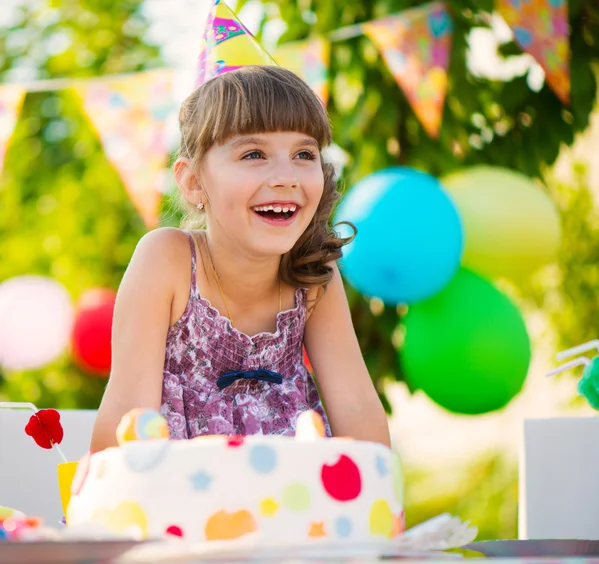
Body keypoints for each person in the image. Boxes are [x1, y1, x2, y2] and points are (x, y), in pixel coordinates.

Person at [90, 66, 390, 450]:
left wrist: (382, 503)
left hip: (294, 498)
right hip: (175, 497)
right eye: (253, 153)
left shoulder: (314, 272)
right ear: (194, 181)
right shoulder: (167, 260)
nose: (286, 176)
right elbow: (126, 415)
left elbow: (357, 407)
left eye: (303, 153)